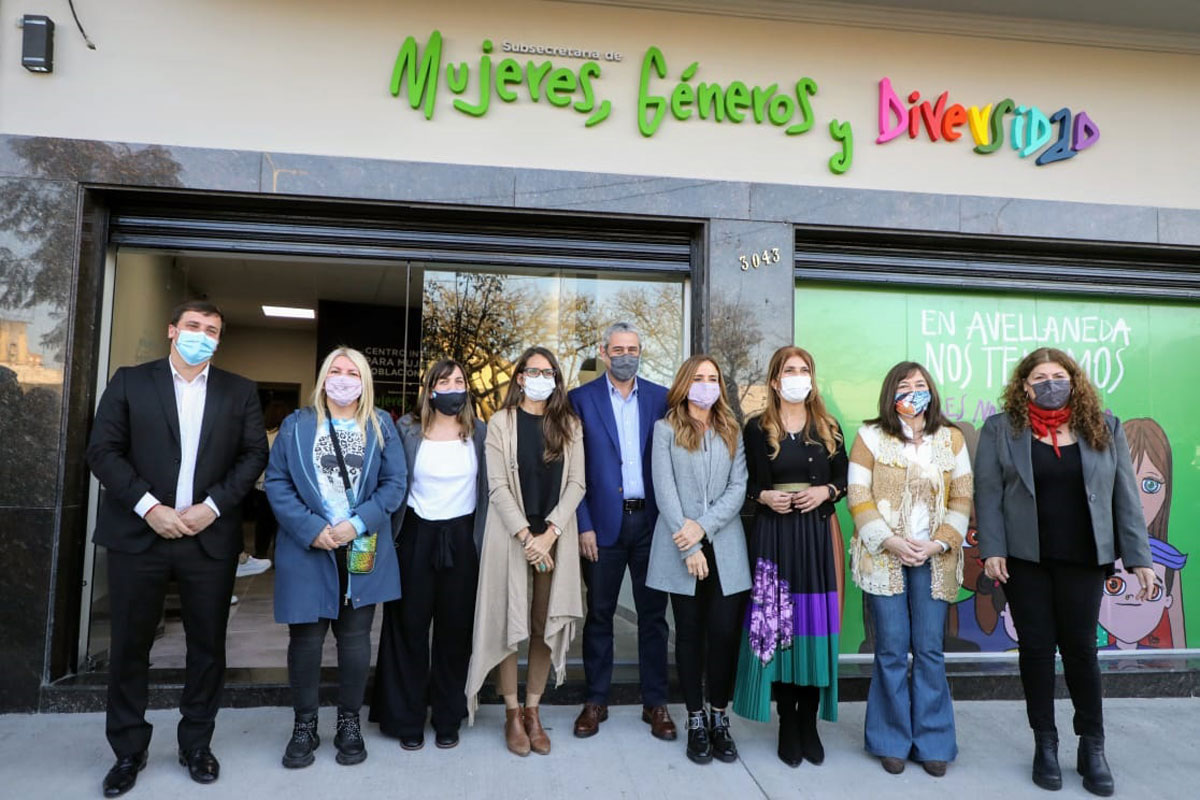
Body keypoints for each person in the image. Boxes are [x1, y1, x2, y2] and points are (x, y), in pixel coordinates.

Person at [86, 300, 268, 797]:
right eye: (193, 326)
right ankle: (128, 750)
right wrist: (149, 507)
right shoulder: (130, 382)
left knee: (207, 648)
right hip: (139, 535)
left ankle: (196, 744)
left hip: (207, 538)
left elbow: (255, 454)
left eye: (212, 330)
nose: (201, 336)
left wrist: (213, 506)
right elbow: (102, 450)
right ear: (172, 330)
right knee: (130, 646)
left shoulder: (239, 391)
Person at [975, 347, 1154, 796]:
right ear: (1024, 386)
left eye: (1058, 376)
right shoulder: (1001, 429)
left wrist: (1140, 559)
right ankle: (1045, 743)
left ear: (1074, 381)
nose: (1049, 384)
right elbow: (989, 494)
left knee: (1081, 651)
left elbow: (1125, 497)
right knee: (1036, 652)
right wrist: (992, 549)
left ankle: (1092, 746)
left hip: (1084, 559)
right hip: (1025, 561)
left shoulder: (1103, 427)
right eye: (1039, 377)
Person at [265, 347, 406, 769]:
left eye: (353, 373)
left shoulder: (381, 424)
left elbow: (395, 483)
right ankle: (304, 725)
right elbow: (277, 482)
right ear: (324, 376)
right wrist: (311, 528)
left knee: (356, 640)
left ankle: (349, 722)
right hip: (308, 546)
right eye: (336, 370)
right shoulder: (296, 425)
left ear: (364, 382)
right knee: (306, 642)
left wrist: (357, 524)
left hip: (360, 545)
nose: (344, 378)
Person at [847, 361, 971, 778]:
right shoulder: (870, 436)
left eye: (920, 384)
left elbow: (962, 497)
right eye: (905, 385)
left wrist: (939, 542)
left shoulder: (951, 438)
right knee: (891, 649)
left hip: (934, 557)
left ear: (930, 392)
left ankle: (934, 742)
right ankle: (890, 740)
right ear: (891, 393)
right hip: (885, 556)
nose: (914, 391)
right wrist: (890, 540)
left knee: (930, 650)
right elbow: (858, 495)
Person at [465, 347, 585, 757]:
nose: (541, 378)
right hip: (511, 537)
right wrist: (526, 536)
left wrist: (549, 534)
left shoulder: (569, 424)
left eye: (548, 372)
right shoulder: (501, 423)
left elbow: (578, 484)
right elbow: (497, 486)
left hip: (554, 540)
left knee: (542, 623)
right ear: (520, 378)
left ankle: (533, 710)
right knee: (508, 623)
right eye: (533, 371)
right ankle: (512, 713)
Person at [732, 346, 847, 768]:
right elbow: (745, 482)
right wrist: (763, 497)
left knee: (813, 628)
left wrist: (826, 491)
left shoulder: (828, 426)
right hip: (774, 537)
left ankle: (808, 722)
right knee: (780, 630)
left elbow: (844, 477)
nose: (798, 377)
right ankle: (786, 722)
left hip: (816, 536)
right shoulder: (756, 427)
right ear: (775, 381)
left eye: (804, 370)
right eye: (789, 370)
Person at [371, 359, 488, 750]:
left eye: (459, 381)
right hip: (415, 536)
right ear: (430, 388)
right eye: (444, 381)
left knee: (455, 631)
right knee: (408, 629)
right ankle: (406, 717)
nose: (453, 387)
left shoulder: (480, 433)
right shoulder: (407, 429)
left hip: (462, 540)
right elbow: (389, 480)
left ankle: (448, 716)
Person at [568, 322, 675, 741]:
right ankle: (596, 700)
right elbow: (574, 471)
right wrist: (584, 525)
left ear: (641, 351)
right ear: (604, 352)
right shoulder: (581, 400)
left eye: (632, 349)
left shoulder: (662, 398)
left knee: (653, 617)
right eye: (618, 349)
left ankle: (656, 702)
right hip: (602, 526)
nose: (626, 356)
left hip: (651, 523)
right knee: (599, 615)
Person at [646, 355, 749, 764]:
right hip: (679, 546)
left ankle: (719, 716)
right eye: (699, 378)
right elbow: (664, 490)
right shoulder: (665, 429)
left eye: (713, 378)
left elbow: (738, 488)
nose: (706, 384)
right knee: (688, 634)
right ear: (685, 384)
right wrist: (689, 546)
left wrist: (702, 528)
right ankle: (694, 719)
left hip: (725, 545)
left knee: (723, 633)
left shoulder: (731, 429)